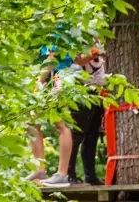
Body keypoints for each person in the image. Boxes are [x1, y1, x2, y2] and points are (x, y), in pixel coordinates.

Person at [65, 48, 106, 186]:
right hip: (82, 90)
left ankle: (91, 176)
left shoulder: (100, 39)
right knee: (76, 135)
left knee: (92, 136)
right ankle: (68, 174)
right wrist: (96, 52)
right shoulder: (81, 36)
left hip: (99, 92)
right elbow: (77, 60)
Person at [34, 46, 74, 187]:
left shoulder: (56, 29)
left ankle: (62, 174)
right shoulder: (46, 31)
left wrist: (39, 82)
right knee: (31, 122)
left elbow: (52, 58)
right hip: (48, 78)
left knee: (61, 125)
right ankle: (39, 170)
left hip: (58, 77)